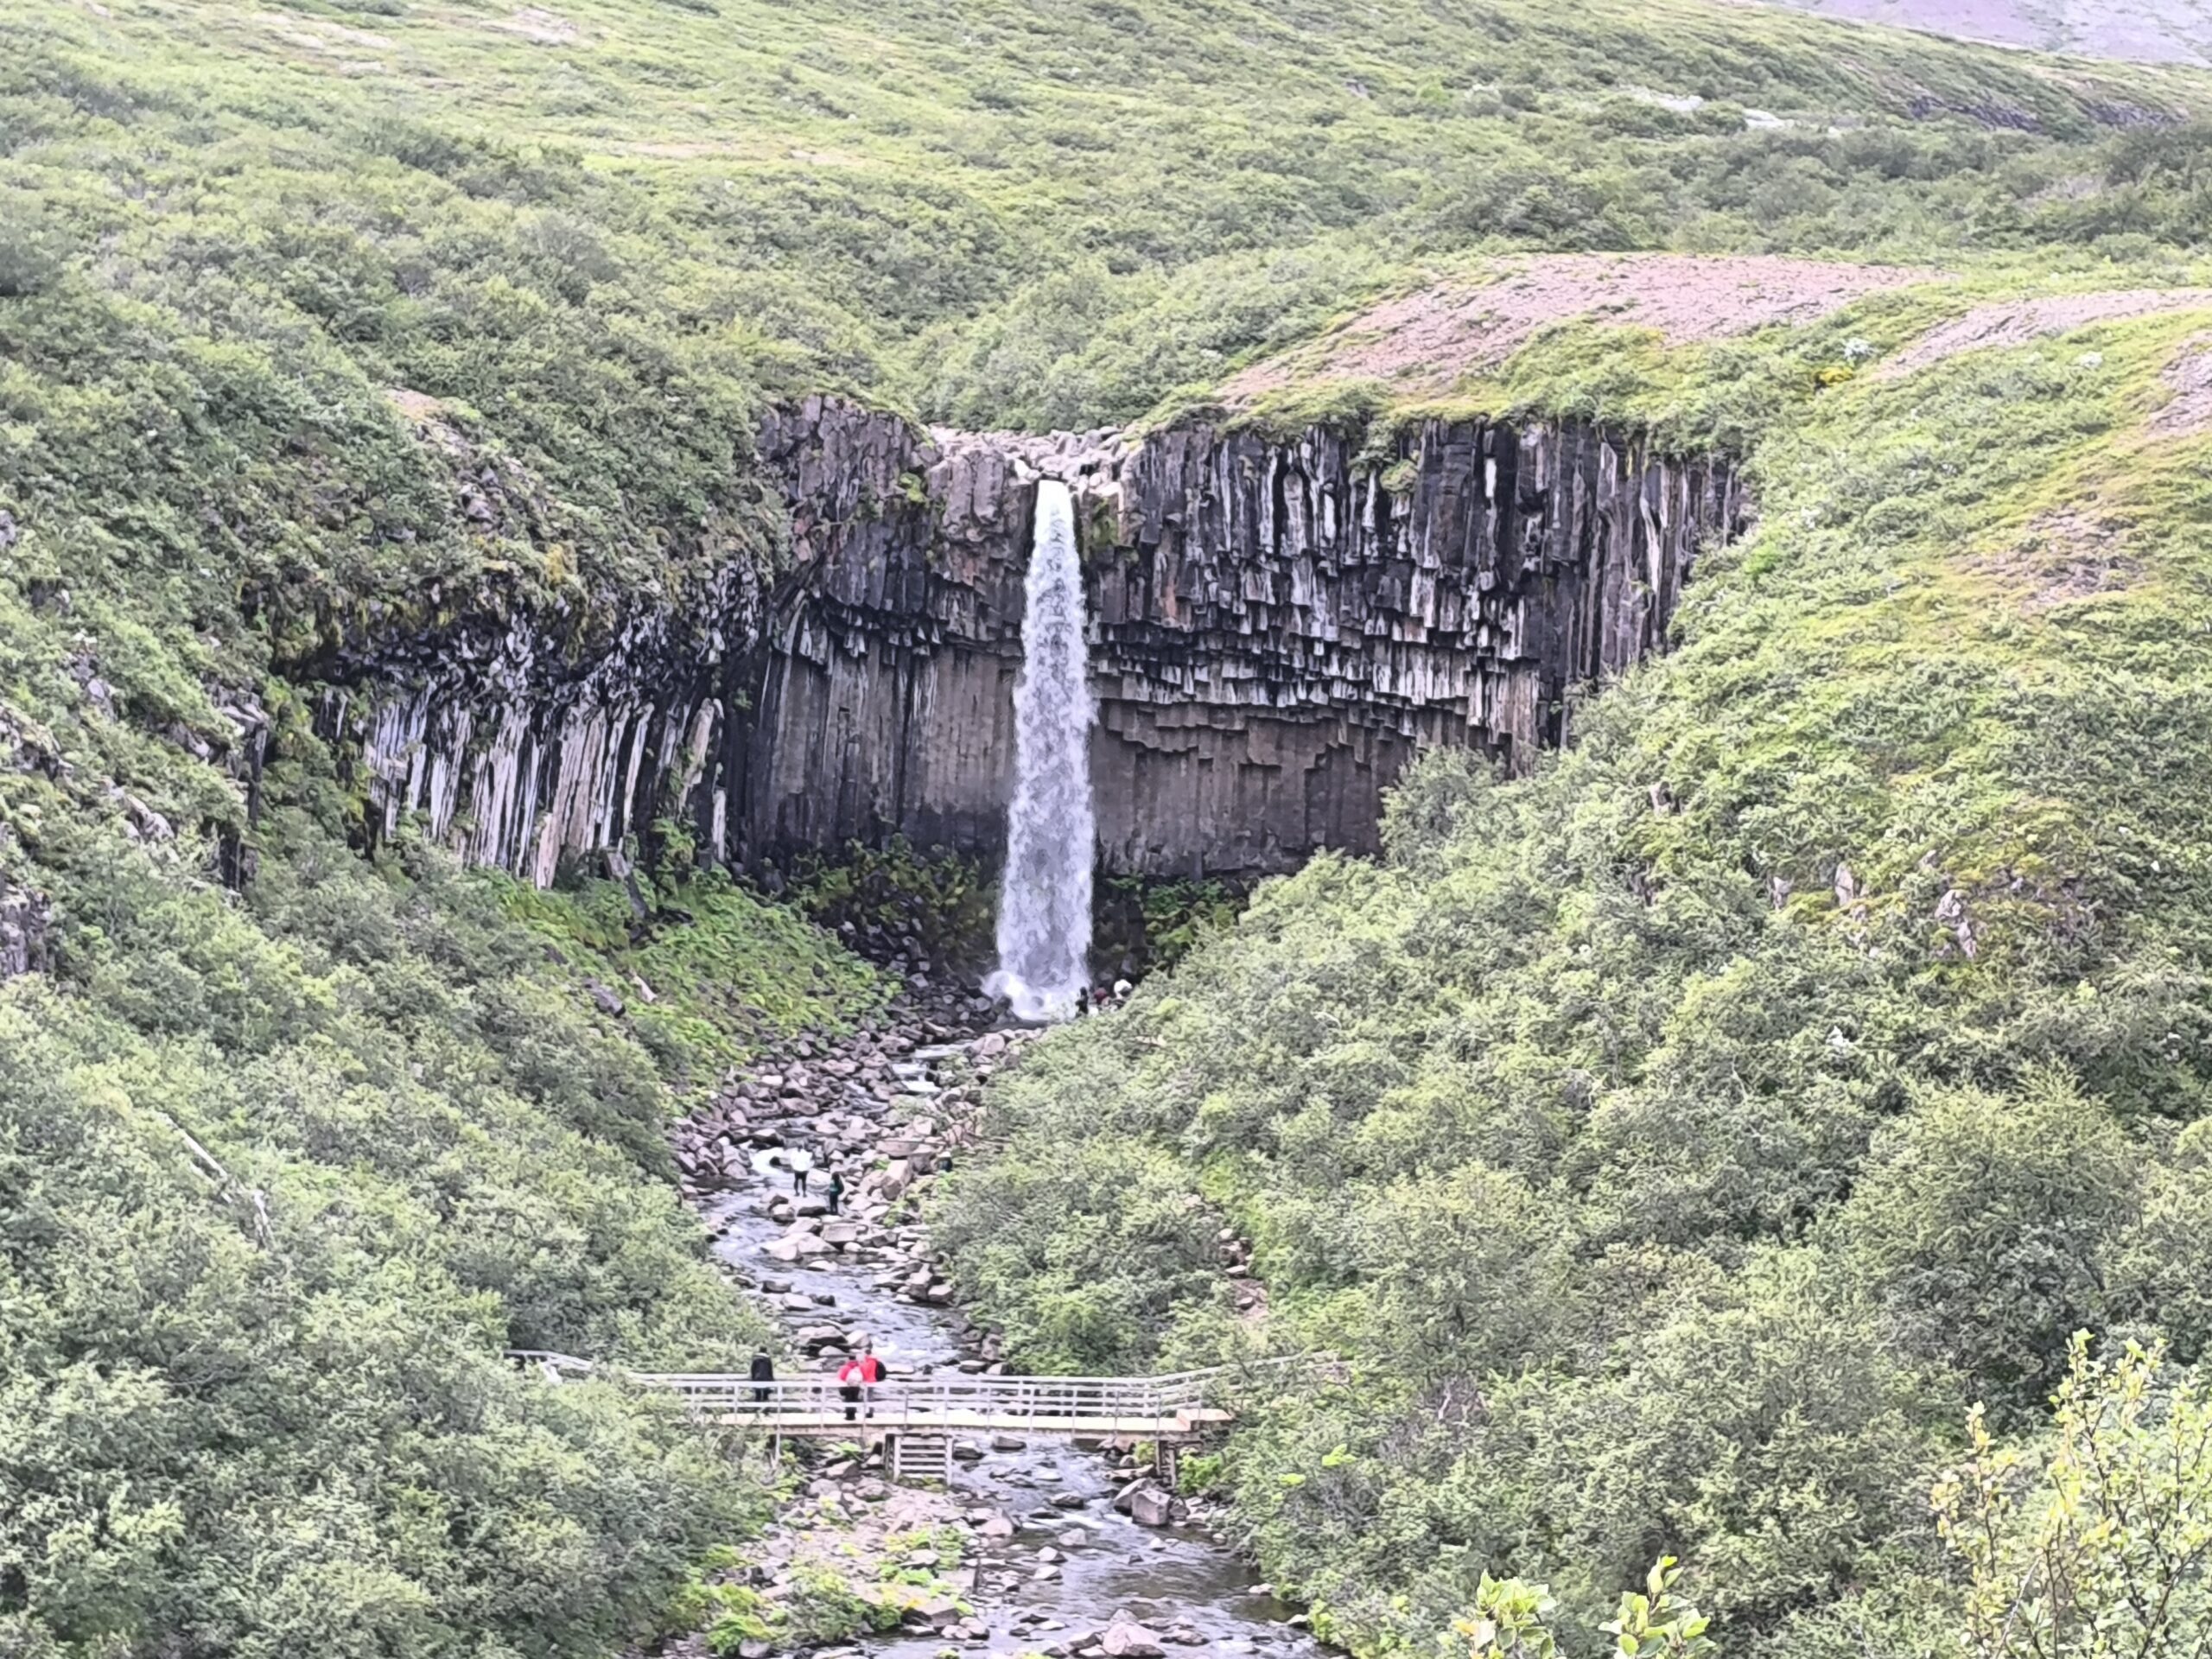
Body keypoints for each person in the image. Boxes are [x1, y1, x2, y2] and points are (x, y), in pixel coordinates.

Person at [836, 1352, 864, 1421]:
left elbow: (842, 1377)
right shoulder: (859, 1367)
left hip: (848, 1386)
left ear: (848, 1359)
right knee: (854, 1400)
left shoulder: (846, 1367)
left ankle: (849, 1416)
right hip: (857, 1386)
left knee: (848, 1400)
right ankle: (853, 1415)